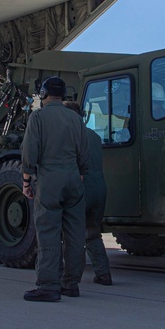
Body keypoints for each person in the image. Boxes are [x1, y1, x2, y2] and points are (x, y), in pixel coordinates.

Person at [21, 76, 90, 302]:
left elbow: (30, 151)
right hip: (73, 178)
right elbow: (84, 152)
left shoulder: (38, 117)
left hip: (50, 178)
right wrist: (78, 173)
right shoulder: (75, 118)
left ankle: (49, 286)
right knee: (74, 234)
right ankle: (71, 284)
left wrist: (26, 181)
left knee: (49, 232)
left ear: (43, 93)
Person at [64, 101, 113, 286]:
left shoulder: (69, 136)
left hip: (80, 190)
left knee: (72, 236)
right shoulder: (94, 136)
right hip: (99, 190)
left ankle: (71, 278)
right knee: (92, 233)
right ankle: (103, 274)